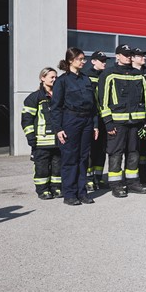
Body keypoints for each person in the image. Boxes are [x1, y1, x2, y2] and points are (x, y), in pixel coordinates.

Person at [98, 44, 146, 198]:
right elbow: (103, 100)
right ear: (117, 56)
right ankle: (115, 184)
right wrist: (108, 122)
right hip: (117, 123)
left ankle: (133, 182)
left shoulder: (138, 74)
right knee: (116, 153)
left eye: (130, 54)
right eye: (125, 54)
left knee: (134, 153)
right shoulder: (109, 74)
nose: (128, 57)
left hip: (136, 123)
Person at [51, 48, 99, 206]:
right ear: (71, 60)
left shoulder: (86, 79)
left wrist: (95, 124)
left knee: (83, 158)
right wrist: (58, 128)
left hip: (86, 121)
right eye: (80, 59)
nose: (83, 61)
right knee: (70, 158)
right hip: (70, 120)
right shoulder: (62, 81)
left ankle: (82, 192)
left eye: (83, 59)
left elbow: (93, 106)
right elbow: (56, 107)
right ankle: (69, 194)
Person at [21, 67, 62, 200]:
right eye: (52, 77)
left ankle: (56, 188)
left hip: (58, 140)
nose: (54, 80)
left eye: (56, 77)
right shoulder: (34, 98)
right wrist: (30, 137)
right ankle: (42, 190)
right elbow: (27, 120)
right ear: (42, 78)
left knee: (58, 167)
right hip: (41, 141)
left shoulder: (60, 95)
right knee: (42, 168)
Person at [86, 51, 108, 190]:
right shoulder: (87, 77)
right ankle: (88, 179)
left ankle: (98, 178)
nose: (104, 63)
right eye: (101, 60)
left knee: (101, 150)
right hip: (91, 118)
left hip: (104, 118)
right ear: (93, 61)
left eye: (105, 60)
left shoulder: (106, 76)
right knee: (89, 151)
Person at [132, 47, 146, 186]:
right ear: (132, 58)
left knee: (144, 148)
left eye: (143, 56)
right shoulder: (128, 73)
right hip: (132, 118)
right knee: (133, 149)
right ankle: (132, 177)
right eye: (139, 56)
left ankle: (143, 174)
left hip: (145, 117)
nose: (143, 58)